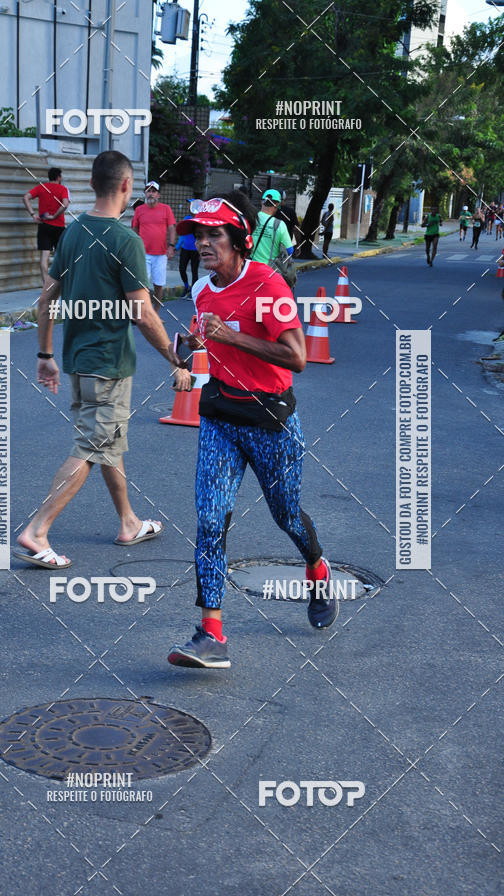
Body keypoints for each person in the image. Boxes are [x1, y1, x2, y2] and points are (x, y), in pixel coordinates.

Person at [167, 191, 336, 670]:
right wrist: (188, 354)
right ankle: (212, 633)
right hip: (220, 417)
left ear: (238, 239)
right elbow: (204, 342)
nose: (202, 243)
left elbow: (298, 357)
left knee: (285, 516)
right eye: (197, 235)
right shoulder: (201, 290)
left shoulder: (267, 283)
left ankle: (317, 568)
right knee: (210, 519)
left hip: (271, 421)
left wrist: (231, 336)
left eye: (213, 234)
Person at [15, 151, 190, 569]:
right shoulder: (125, 241)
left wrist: (45, 355)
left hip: (77, 361)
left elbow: (45, 300)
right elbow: (143, 313)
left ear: (92, 185)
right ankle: (37, 531)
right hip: (108, 365)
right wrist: (174, 359)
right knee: (93, 444)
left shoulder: (72, 233)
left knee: (107, 440)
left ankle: (128, 522)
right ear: (128, 187)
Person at [131, 180, 176, 312]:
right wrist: (135, 245)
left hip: (161, 254)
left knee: (158, 285)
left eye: (153, 191)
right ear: (145, 193)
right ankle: (142, 311)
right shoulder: (139, 210)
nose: (150, 194)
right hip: (143, 253)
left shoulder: (166, 209)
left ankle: (155, 312)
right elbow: (134, 229)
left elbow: (172, 228)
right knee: (142, 284)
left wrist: (171, 246)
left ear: (158, 195)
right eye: (148, 191)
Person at [23, 167, 70, 285]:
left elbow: (25, 197)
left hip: (44, 226)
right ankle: (62, 284)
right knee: (62, 257)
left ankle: (46, 286)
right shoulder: (63, 189)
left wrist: (33, 215)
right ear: (59, 177)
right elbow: (65, 205)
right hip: (59, 227)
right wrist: (55, 216)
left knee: (44, 257)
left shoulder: (41, 187)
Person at [250, 189, 294, 270]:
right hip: (269, 271)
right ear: (277, 204)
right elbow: (290, 250)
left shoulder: (250, 219)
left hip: (249, 269)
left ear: (261, 202)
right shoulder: (279, 225)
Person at [176, 202, 199, 299]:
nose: (190, 207)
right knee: (182, 268)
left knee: (194, 271)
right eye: (189, 205)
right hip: (185, 248)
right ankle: (186, 287)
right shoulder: (186, 218)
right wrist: (176, 247)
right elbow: (182, 235)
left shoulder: (200, 219)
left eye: (192, 205)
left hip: (196, 250)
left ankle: (193, 291)